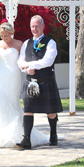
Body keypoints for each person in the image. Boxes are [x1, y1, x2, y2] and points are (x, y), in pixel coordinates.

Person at [16, 15, 63, 150]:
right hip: (30, 81)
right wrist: (26, 69)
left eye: (37, 26)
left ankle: (53, 134)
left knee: (51, 112)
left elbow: (48, 61)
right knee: (28, 110)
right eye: (32, 26)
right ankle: (26, 140)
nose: (34, 29)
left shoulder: (51, 43)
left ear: (43, 26)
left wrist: (30, 65)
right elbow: (20, 60)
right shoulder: (26, 43)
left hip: (46, 81)